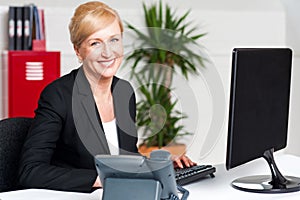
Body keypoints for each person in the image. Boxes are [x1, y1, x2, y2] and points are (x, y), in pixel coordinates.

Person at [18, 1, 196, 193]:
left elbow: (126, 158)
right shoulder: (58, 95)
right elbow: (30, 171)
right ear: (78, 51)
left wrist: (158, 167)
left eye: (114, 40)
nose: (108, 52)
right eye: (95, 43)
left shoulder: (124, 91)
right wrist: (101, 179)